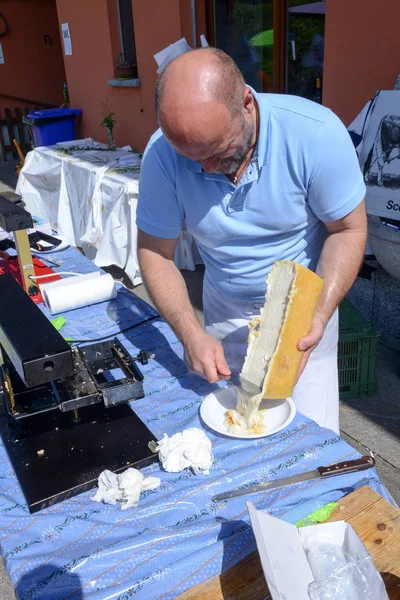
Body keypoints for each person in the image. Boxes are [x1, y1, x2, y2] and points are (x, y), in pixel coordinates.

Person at [136, 48, 367, 434]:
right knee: (230, 435)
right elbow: (155, 253)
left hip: (303, 317)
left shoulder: (316, 133)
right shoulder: (161, 154)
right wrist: (191, 334)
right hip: (222, 313)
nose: (207, 168)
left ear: (246, 103)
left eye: (217, 151)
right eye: (191, 158)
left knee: (308, 442)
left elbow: (348, 230)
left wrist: (319, 315)